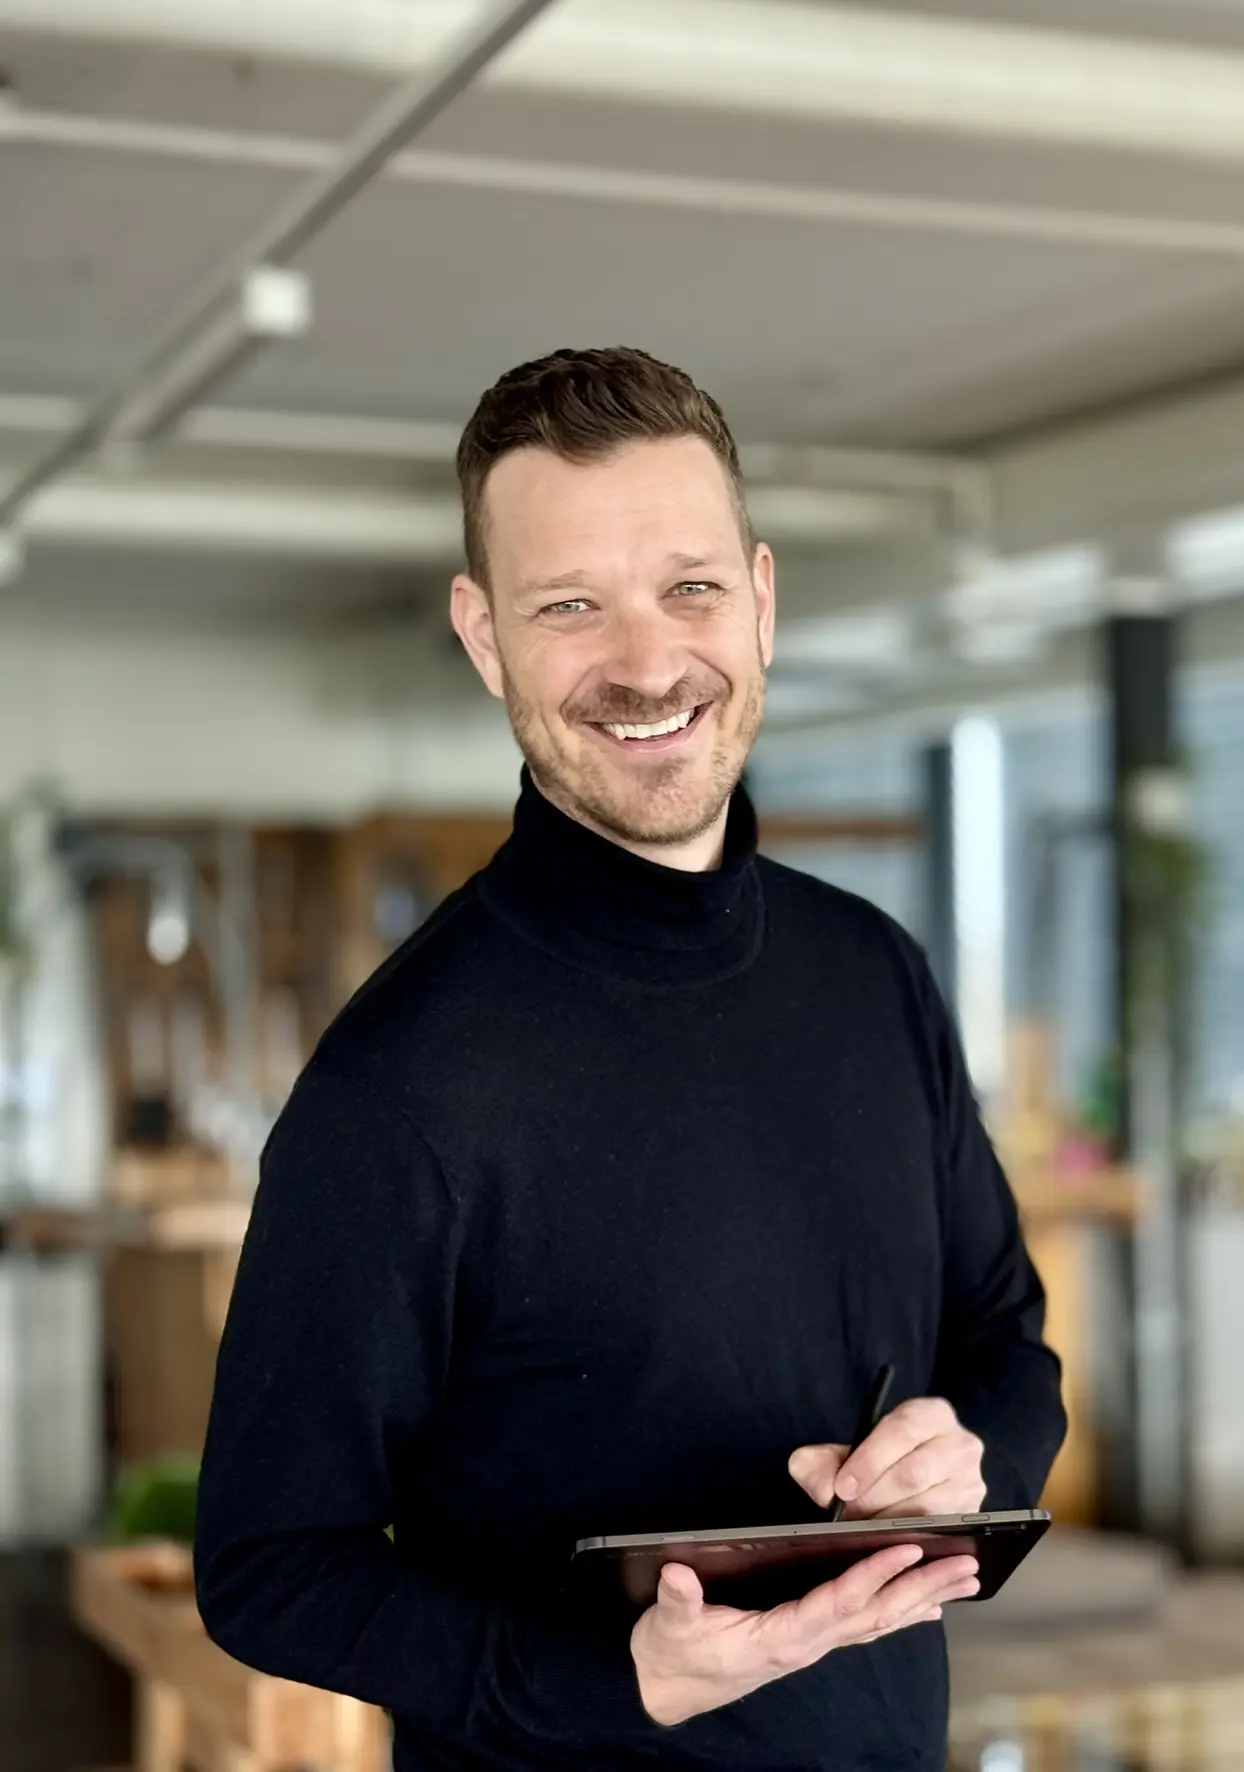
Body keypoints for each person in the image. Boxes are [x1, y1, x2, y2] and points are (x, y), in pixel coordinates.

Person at [193, 347, 1065, 1771]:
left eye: (691, 588)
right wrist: (612, 1685)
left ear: (763, 600)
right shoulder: (400, 1089)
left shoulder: (875, 979)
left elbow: (1005, 1338)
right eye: (571, 607)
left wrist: (974, 1458)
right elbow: (269, 1562)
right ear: (485, 639)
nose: (649, 663)